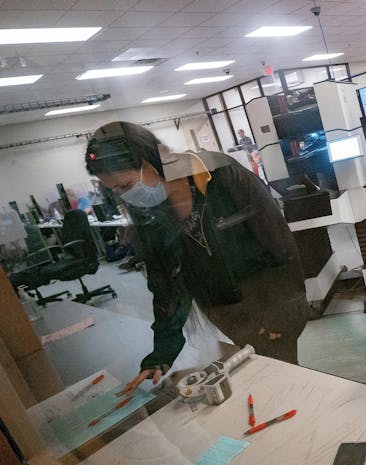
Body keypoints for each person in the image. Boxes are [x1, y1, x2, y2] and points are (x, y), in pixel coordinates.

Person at [84, 121, 308, 394]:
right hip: (227, 311)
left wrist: (281, 320)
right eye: (116, 191)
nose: (126, 196)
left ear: (150, 162)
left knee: (286, 380)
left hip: (271, 302)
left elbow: (281, 248)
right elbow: (166, 285)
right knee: (263, 379)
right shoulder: (151, 215)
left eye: (126, 185)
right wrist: (162, 354)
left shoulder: (220, 175)